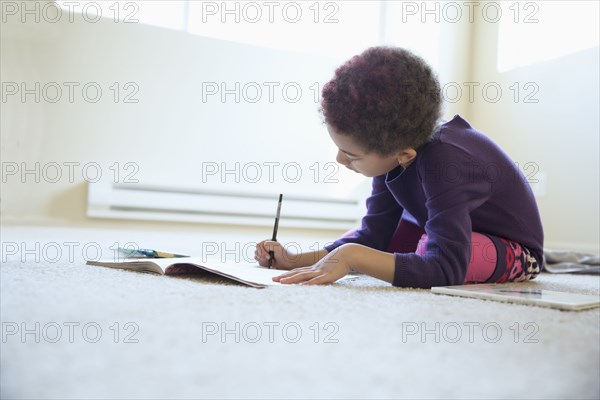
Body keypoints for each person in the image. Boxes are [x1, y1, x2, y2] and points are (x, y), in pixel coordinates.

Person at [254, 46, 544, 288]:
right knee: (396, 242)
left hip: (516, 252)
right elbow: (373, 236)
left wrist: (353, 256)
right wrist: (294, 259)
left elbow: (446, 269)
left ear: (404, 154)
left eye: (351, 155)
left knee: (419, 250)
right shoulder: (395, 153)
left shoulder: (448, 162)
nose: (340, 161)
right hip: (447, 233)